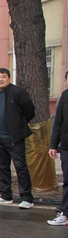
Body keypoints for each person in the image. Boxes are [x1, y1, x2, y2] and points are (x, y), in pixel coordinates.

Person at [0, 68, 35, 209]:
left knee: (21, 168)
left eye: (3, 77)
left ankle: (27, 198)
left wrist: (18, 125)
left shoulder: (18, 92)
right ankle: (6, 196)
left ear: (9, 78)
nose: (0, 80)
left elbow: (29, 111)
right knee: (2, 168)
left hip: (15, 138)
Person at [48, 70, 68, 225]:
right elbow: (57, 122)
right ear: (65, 81)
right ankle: (65, 214)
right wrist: (53, 145)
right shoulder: (64, 97)